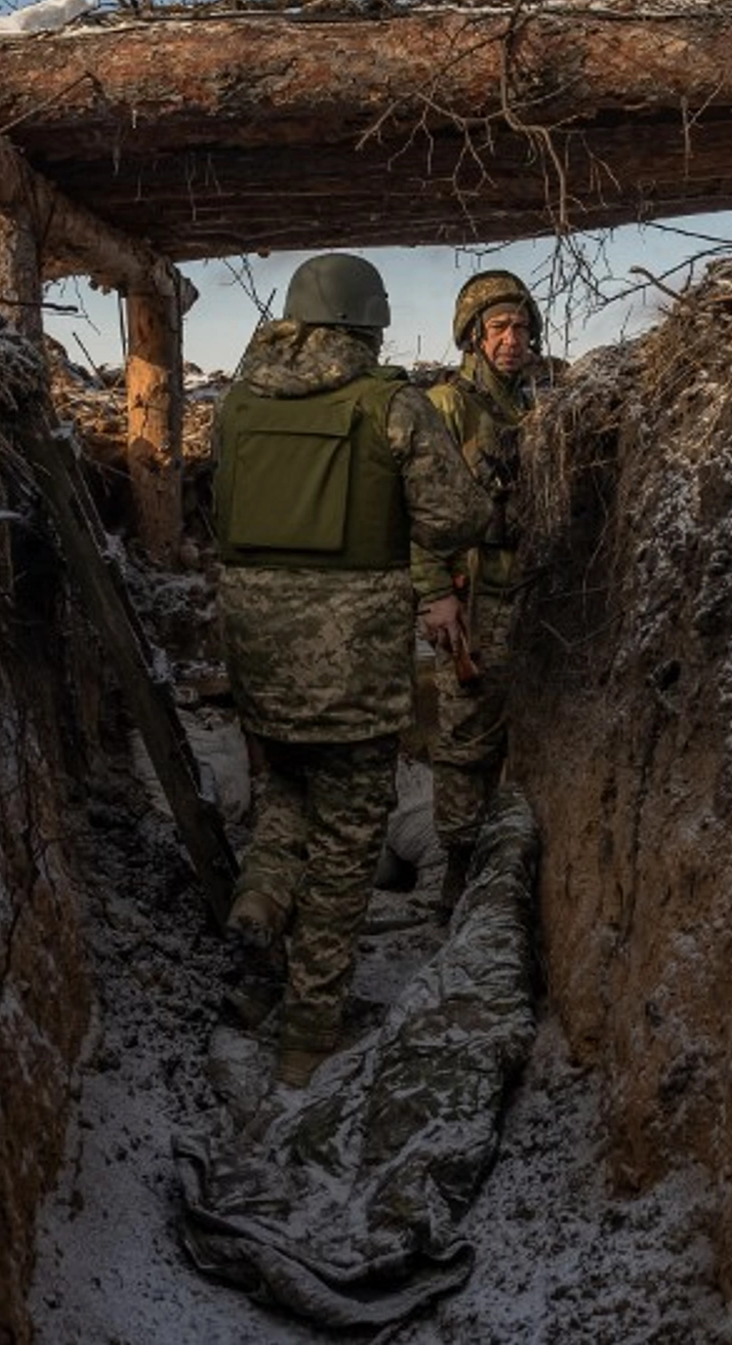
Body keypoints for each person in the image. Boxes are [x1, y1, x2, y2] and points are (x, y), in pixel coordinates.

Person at [213, 252, 491, 1089]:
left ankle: (260, 896)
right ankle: (308, 1029)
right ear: (367, 324)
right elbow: (453, 516)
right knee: (346, 842)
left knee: (287, 794)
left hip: (258, 649)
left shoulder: (238, 400)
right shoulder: (390, 403)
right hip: (353, 660)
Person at [411, 269, 547, 918]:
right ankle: (457, 873)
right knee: (466, 735)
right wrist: (436, 592)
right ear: (473, 335)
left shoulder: (538, 405)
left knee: (530, 726)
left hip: (535, 588)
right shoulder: (445, 406)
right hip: (475, 594)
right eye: (498, 328)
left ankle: (510, 860)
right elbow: (419, 507)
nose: (512, 340)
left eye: (521, 327)